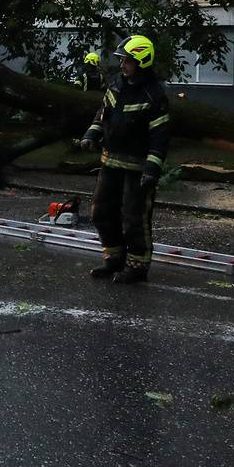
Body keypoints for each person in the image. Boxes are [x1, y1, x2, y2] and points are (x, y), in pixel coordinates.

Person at [77, 34, 170, 284]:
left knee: (134, 217)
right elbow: (103, 114)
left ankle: (137, 267)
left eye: (127, 61)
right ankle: (114, 260)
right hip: (110, 162)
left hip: (137, 168)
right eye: (121, 60)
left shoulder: (153, 95)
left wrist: (152, 168)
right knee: (101, 212)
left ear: (141, 61)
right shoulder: (117, 85)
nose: (122, 65)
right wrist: (91, 135)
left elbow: (160, 136)